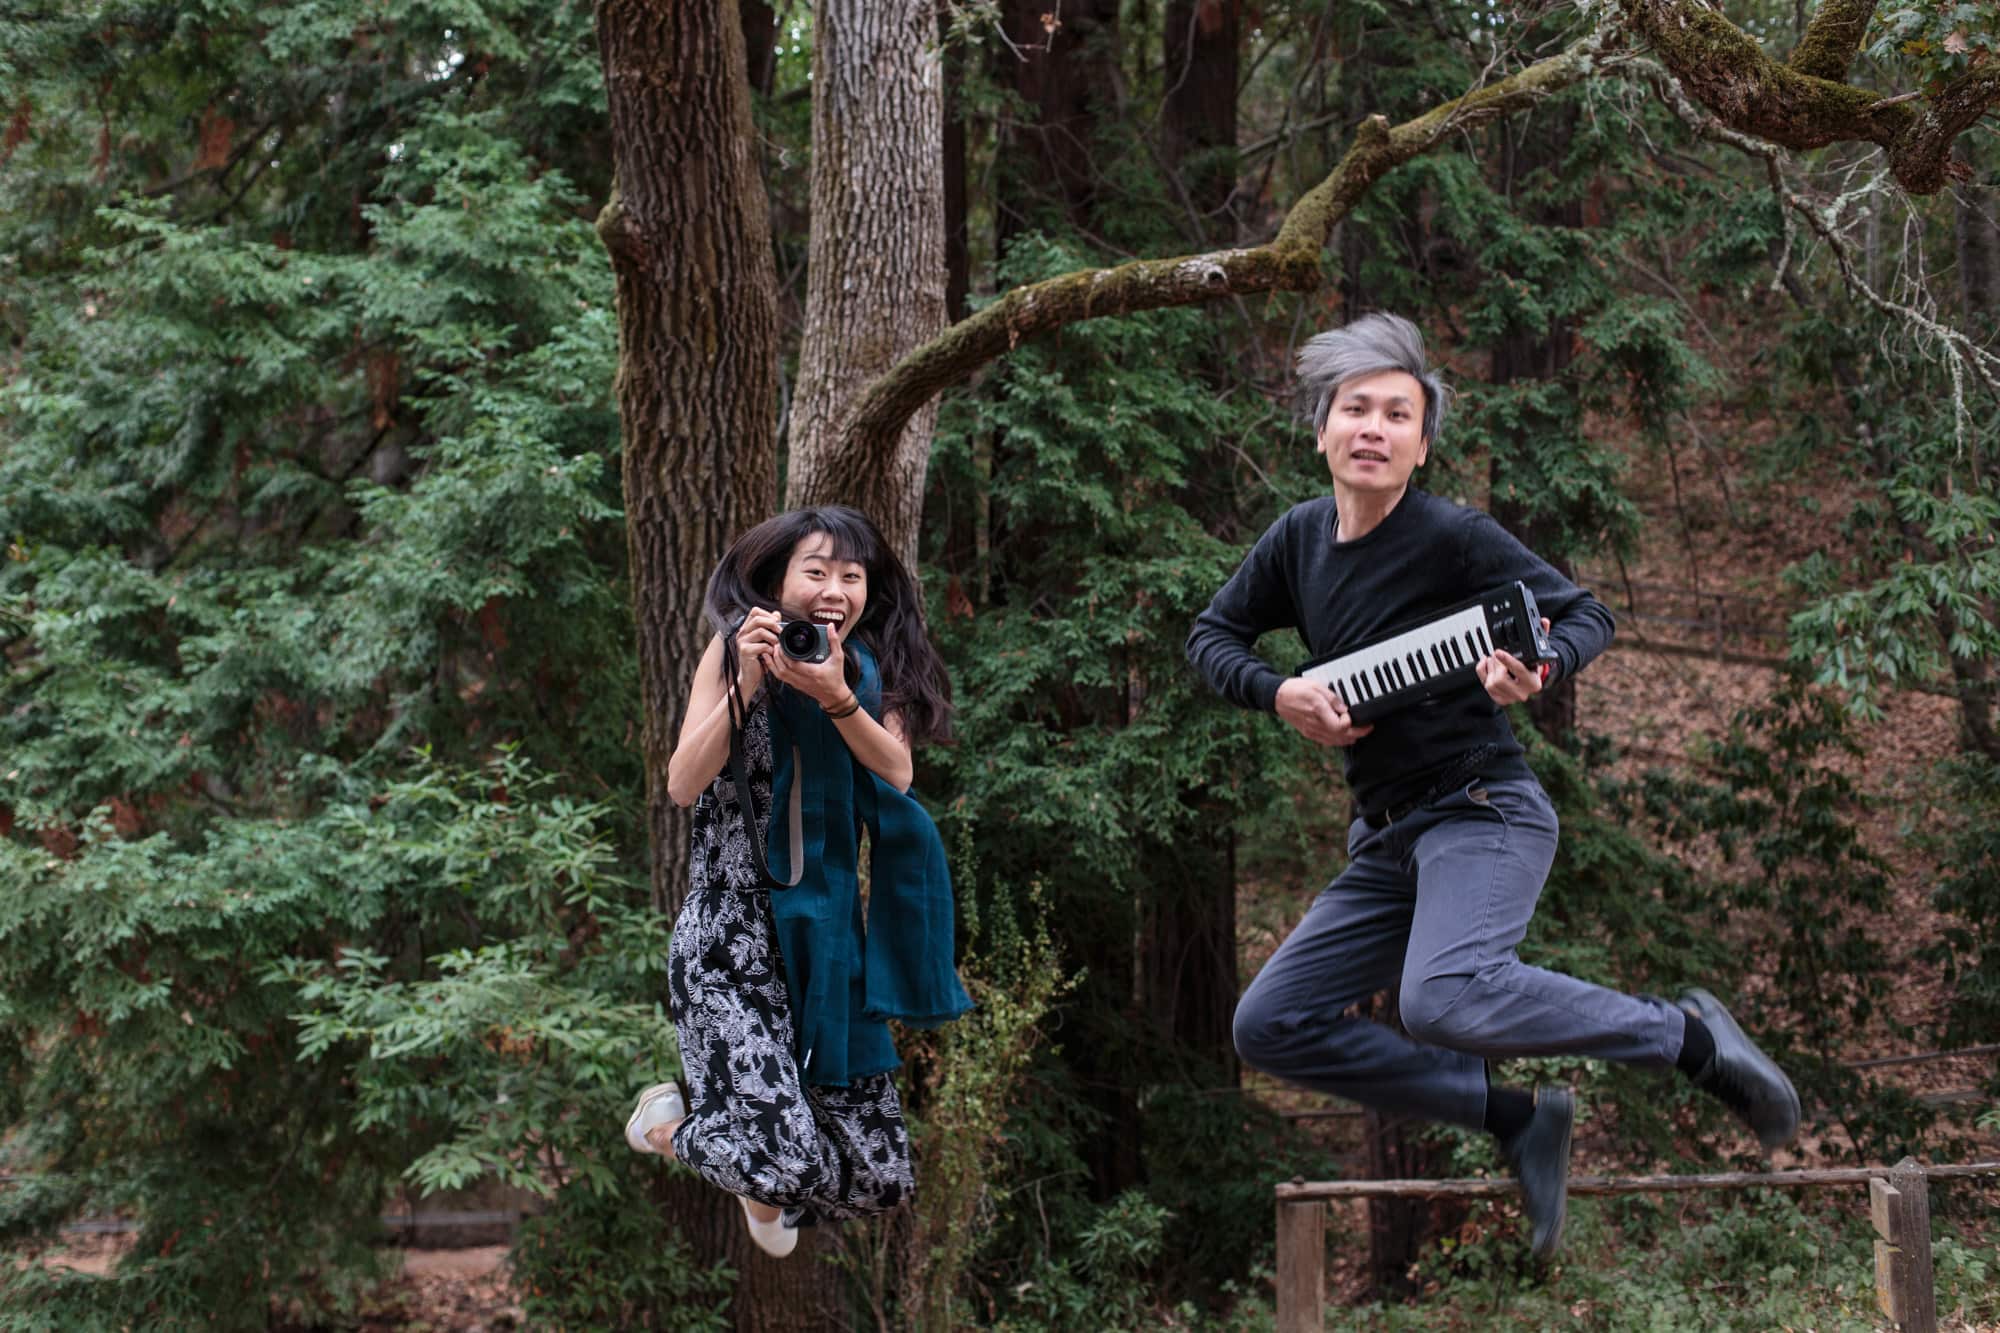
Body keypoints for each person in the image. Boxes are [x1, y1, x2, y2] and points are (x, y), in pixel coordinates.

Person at [1184, 313, 1800, 1259]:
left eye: (1398, 414)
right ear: (1322, 429)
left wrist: (1538, 669)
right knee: (1268, 1024)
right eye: (1356, 409)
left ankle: (1686, 1037)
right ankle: (1517, 1119)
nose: (1374, 428)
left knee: (1441, 998)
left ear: (1422, 445)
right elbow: (1211, 636)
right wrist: (1280, 692)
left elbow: (1583, 613)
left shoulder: (1452, 535)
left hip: (1482, 809)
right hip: (1387, 841)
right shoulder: (1297, 540)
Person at [623, 505, 971, 1259]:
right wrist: (748, 679)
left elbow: (897, 771)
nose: (834, 590)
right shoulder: (730, 652)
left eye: (852, 575)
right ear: (778, 580)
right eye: (816, 571)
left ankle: (763, 1192)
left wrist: (836, 695)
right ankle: (666, 1127)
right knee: (783, 1160)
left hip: (824, 941)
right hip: (730, 939)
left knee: (878, 1178)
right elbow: (683, 782)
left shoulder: (872, 665)